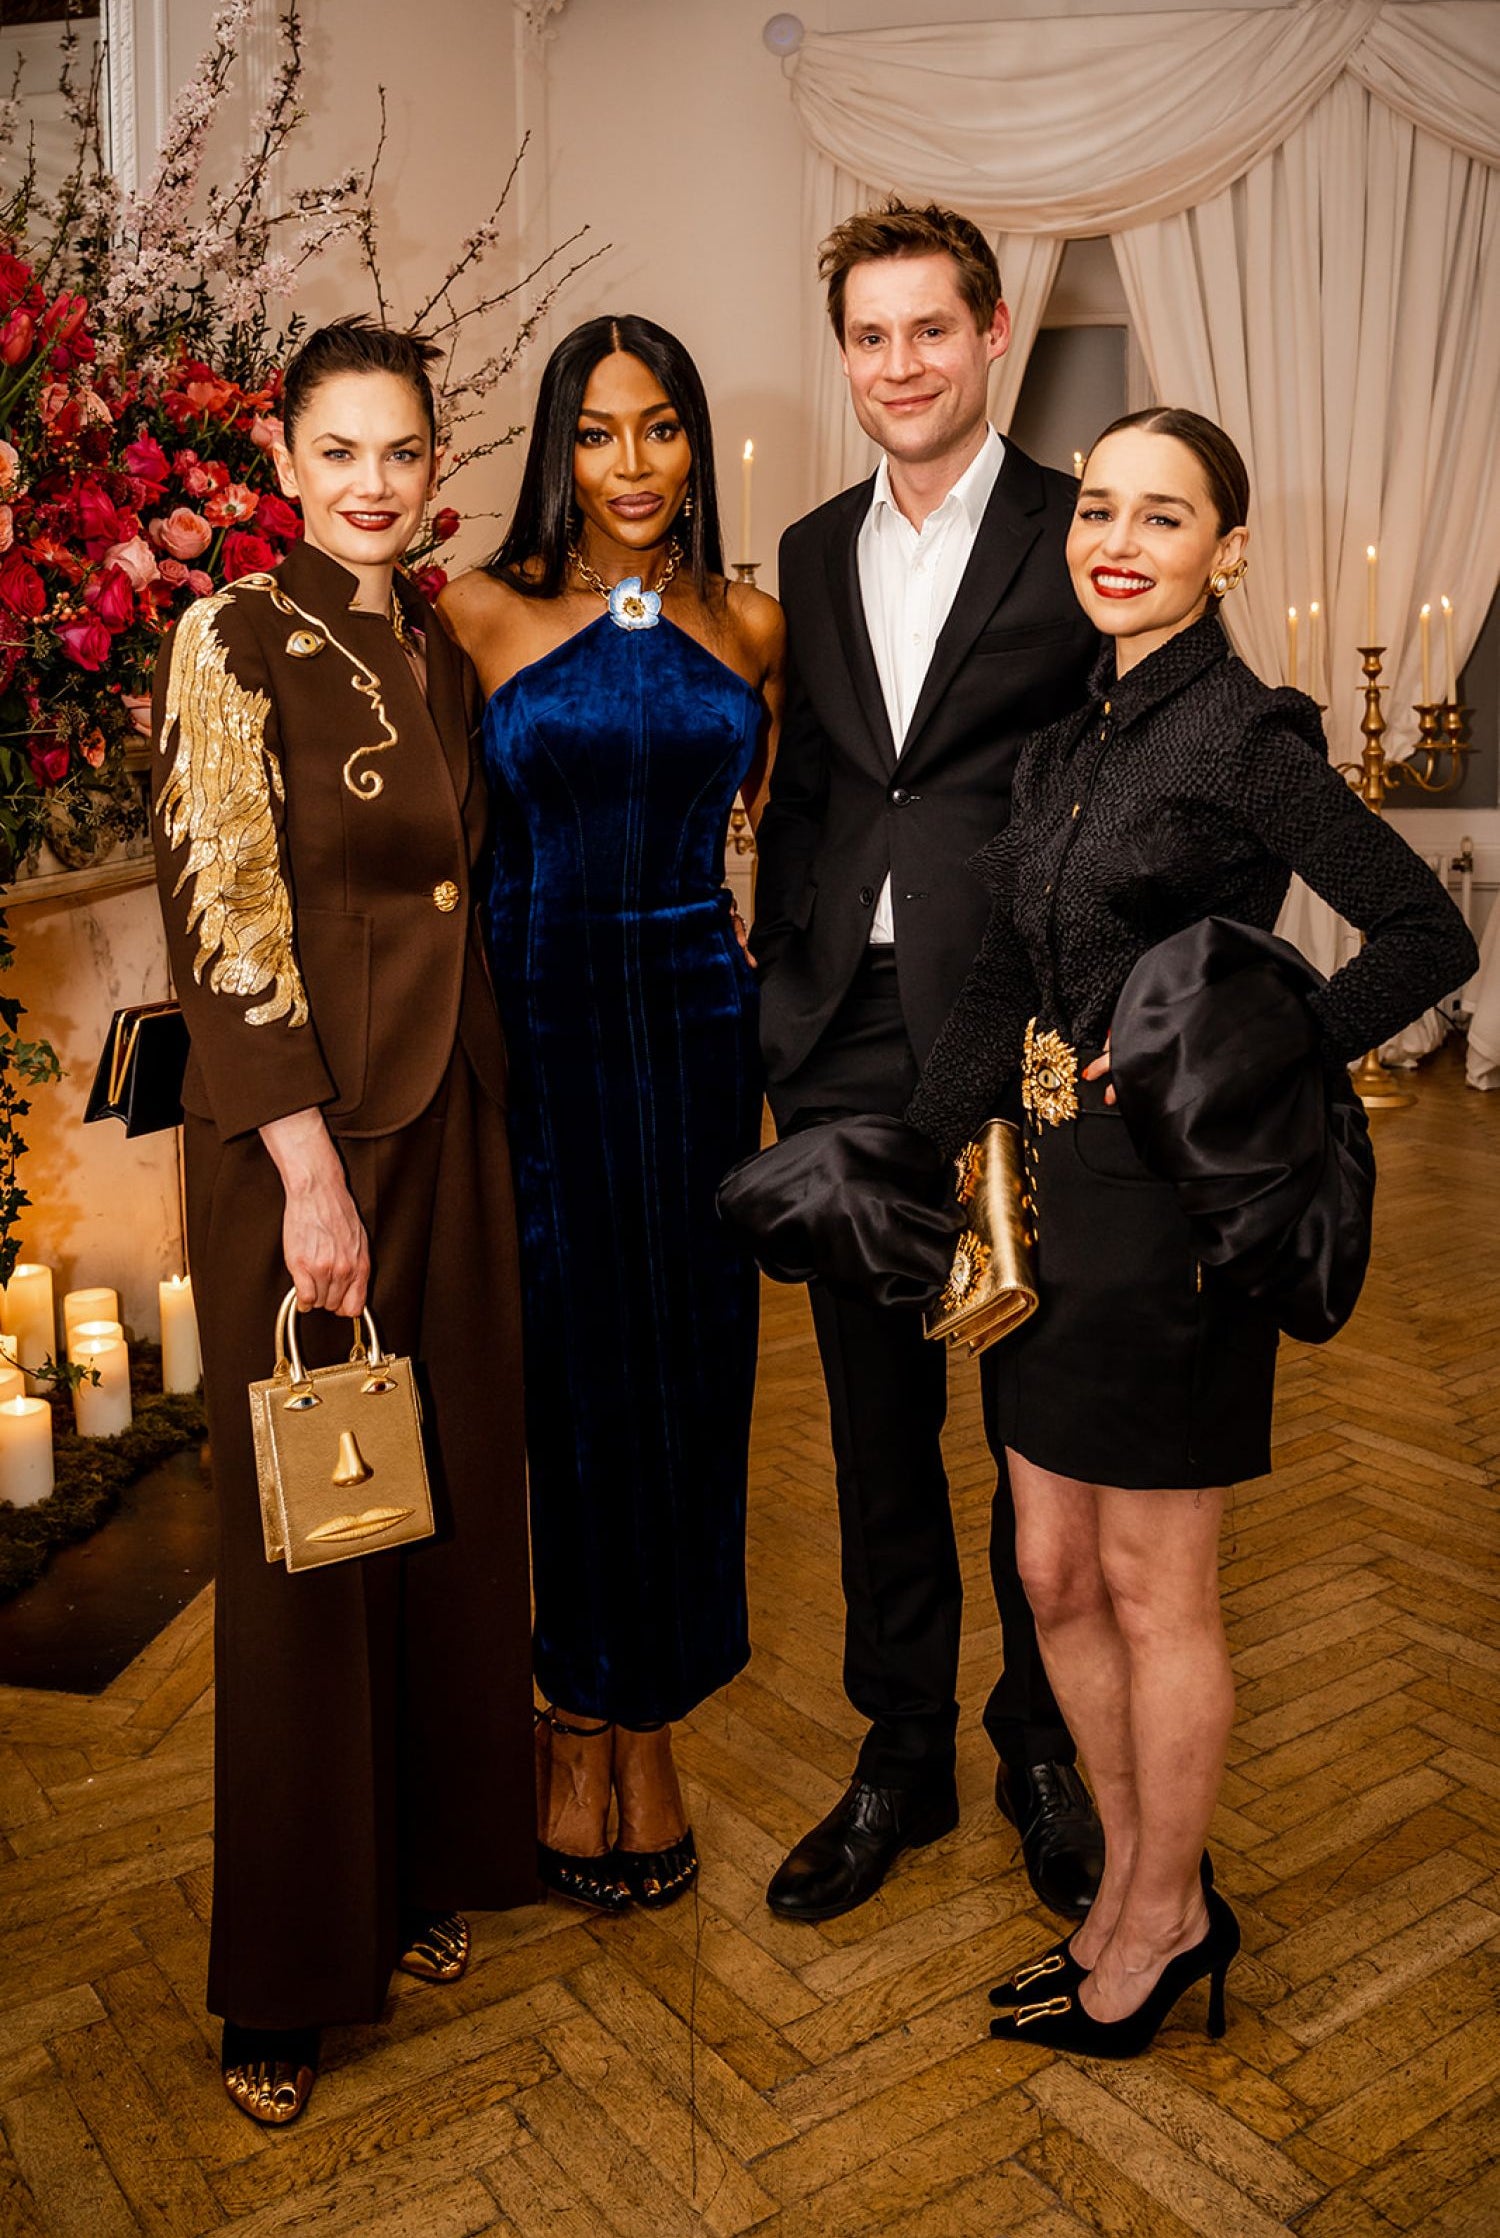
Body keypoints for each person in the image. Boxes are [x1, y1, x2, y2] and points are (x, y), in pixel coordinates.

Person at [907, 407, 1477, 2056]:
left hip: (1174, 1221)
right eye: (1100, 507)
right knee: (1048, 1564)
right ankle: (1131, 1885)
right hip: (1045, 1209)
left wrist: (1251, 1041)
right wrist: (911, 1149)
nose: (1121, 539)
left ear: (1226, 549)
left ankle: (1163, 1915)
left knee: (1160, 1592)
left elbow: (1423, 932)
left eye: (1165, 517)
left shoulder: (1241, 734)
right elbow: (1013, 972)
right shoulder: (1066, 738)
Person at [149, 318, 535, 2124]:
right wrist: (306, 1168)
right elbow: (225, 907)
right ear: (283, 461)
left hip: (447, 1123)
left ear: (429, 465)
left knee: (438, 1519)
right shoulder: (230, 636)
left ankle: (416, 1876)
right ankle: (284, 1981)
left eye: (400, 451)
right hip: (305, 1146)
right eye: (339, 450)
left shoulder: (430, 645)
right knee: (309, 1540)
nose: (372, 481)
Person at [750, 198, 1103, 1925]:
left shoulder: (1076, 529)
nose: (899, 365)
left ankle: (1040, 1738)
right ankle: (902, 1754)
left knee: (1030, 1416)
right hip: (843, 1049)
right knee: (875, 1428)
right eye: (870, 337)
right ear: (850, 357)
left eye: (929, 331)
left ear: (988, 340)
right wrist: (777, 1001)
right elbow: (817, 787)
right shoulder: (811, 549)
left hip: (1024, 1045)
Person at [440, 315, 782, 1913]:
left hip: (703, 1044)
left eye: (659, 430)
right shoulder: (478, 614)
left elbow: (774, 835)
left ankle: (653, 1723)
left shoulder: (751, 624)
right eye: (597, 431)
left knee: (690, 1386)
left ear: (696, 443)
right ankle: (569, 1718)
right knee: (570, 1391)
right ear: (555, 448)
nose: (632, 465)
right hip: (544, 1045)